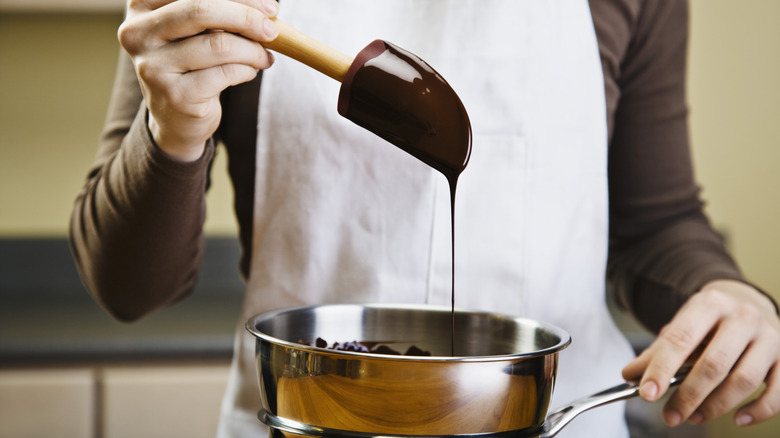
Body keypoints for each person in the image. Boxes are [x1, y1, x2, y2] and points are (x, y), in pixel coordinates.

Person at [70, 0, 780, 437]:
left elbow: (655, 223)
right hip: (303, 426)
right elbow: (127, 288)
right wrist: (173, 129)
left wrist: (729, 294)